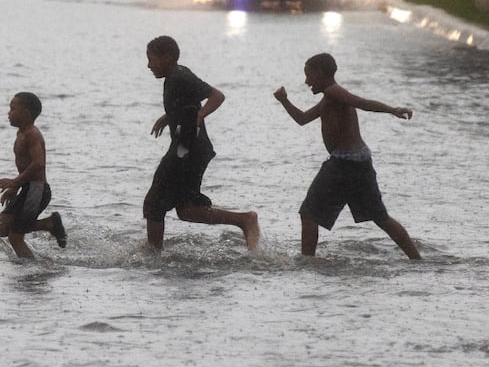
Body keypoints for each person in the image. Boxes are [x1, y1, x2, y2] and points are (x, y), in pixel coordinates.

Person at [273, 53, 421, 260]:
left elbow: (361, 102)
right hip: (359, 162)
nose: (306, 82)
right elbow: (303, 119)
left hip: (344, 163)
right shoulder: (329, 98)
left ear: (321, 73)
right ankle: (417, 260)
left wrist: (392, 110)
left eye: (309, 76)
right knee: (380, 217)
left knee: (309, 213)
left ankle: (307, 263)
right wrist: (284, 101)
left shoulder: (334, 92)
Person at [142, 36, 260, 250]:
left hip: (187, 150)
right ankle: (244, 220)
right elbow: (185, 104)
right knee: (187, 209)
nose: (149, 65)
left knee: (153, 204)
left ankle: (152, 256)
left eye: (152, 60)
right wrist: (168, 116)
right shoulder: (175, 76)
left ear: (167, 58)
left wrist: (201, 115)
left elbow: (217, 96)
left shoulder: (181, 78)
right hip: (191, 149)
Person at [0, 92, 67, 259]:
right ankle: (48, 224)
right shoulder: (21, 133)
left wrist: (14, 182)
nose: (8, 113)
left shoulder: (32, 134)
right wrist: (16, 187)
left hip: (36, 190)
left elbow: (38, 164)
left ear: (25, 113)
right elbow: (26, 166)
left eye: (12, 108)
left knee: (15, 236)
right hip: (27, 188)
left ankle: (32, 273)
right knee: (0, 228)